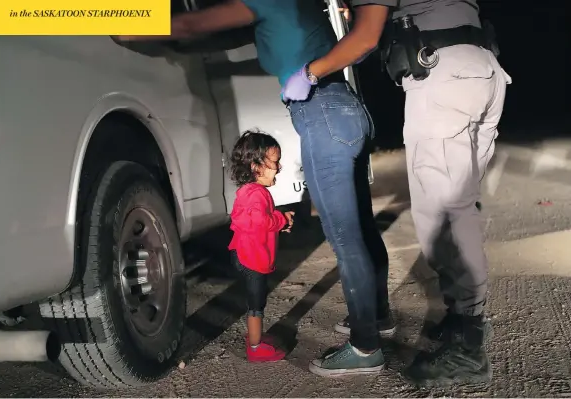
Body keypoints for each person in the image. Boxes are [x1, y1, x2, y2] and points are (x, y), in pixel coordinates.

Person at [118, 0, 394, 377]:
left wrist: (119, 22)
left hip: (322, 113)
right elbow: (215, 36)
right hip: (343, 108)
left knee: (345, 236)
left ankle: (365, 347)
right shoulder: (294, 6)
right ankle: (377, 319)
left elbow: (191, 24)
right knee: (359, 227)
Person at [283, 0, 511, 388]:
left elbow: (366, 35)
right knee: (461, 209)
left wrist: (310, 72)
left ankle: (469, 348)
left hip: (443, 77)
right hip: (482, 67)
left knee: (441, 218)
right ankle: (462, 323)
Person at [228, 130, 294, 362]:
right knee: (256, 305)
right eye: (274, 162)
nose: (279, 167)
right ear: (256, 166)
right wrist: (281, 219)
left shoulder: (249, 192)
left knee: (255, 302)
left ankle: (255, 338)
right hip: (252, 259)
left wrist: (278, 220)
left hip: (243, 254)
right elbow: (260, 222)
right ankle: (255, 348)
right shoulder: (257, 194)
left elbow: (254, 220)